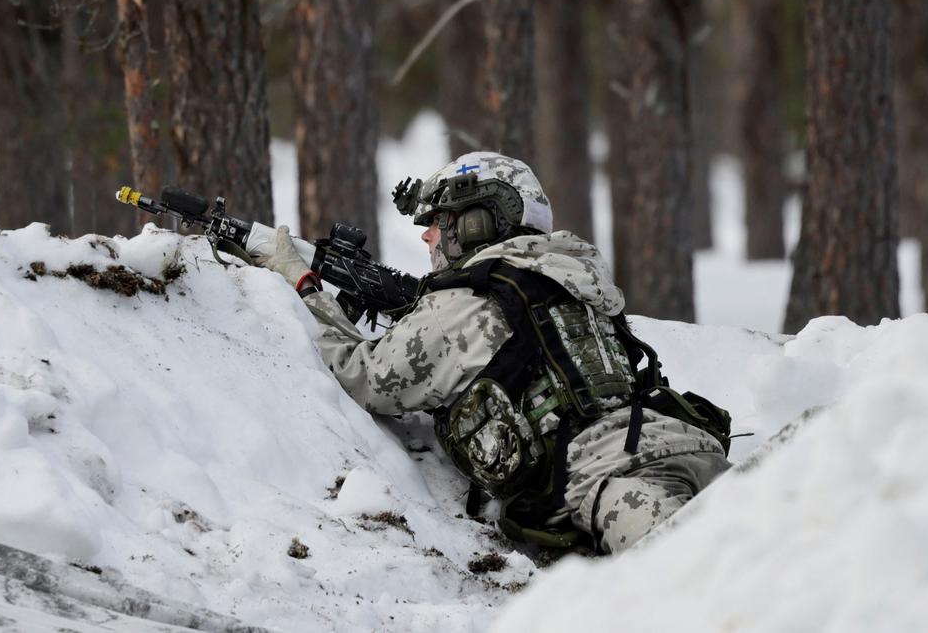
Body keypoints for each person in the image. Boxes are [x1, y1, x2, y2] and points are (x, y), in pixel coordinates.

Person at [254, 151, 731, 554]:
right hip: (688, 445)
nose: (427, 236)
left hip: (615, 482)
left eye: (440, 221)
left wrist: (302, 286)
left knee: (693, 582)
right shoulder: (573, 278)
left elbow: (361, 376)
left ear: (479, 222)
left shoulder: (467, 303)